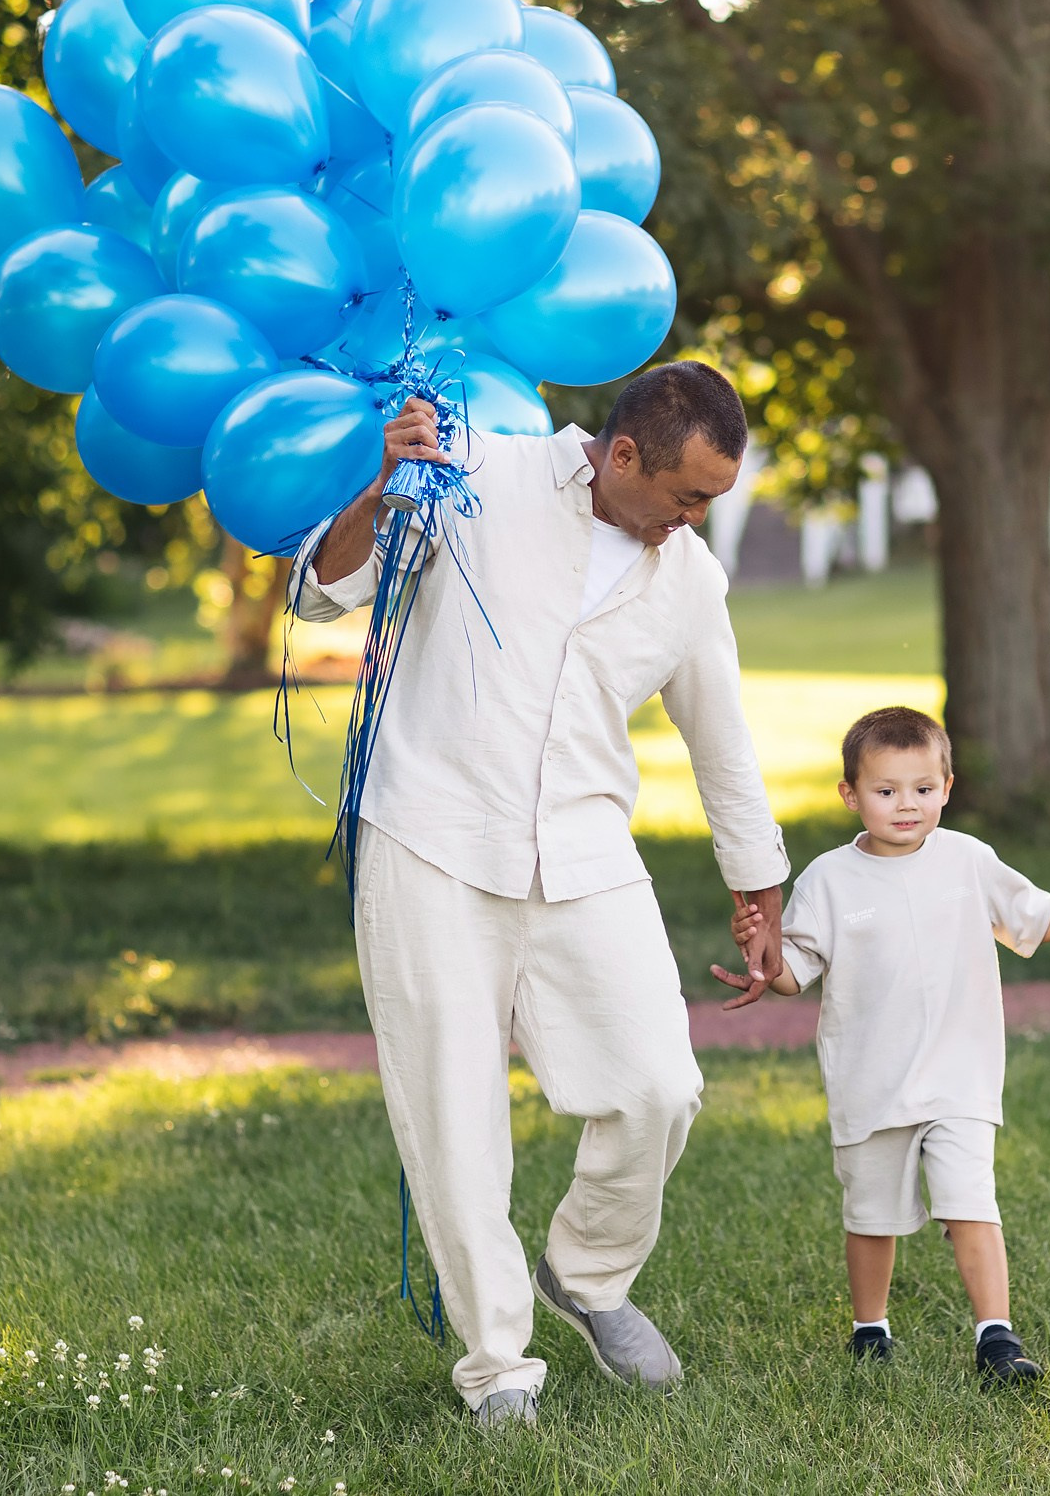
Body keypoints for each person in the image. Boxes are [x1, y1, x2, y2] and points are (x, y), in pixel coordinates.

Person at [292, 361, 789, 1427]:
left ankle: (590, 1271)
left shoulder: (690, 580)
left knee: (660, 1084)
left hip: (583, 849)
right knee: (454, 1111)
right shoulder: (473, 471)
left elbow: (725, 745)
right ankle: (498, 1366)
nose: (696, 519)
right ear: (619, 456)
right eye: (688, 494)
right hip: (429, 832)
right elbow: (316, 588)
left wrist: (761, 892)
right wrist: (380, 481)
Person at [715, 705, 1050, 1386]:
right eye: (886, 791)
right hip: (870, 1083)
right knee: (871, 1217)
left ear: (948, 787)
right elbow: (791, 973)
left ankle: (997, 1337)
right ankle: (871, 1329)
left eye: (923, 790)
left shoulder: (967, 859)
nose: (907, 805)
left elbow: (1038, 918)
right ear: (850, 795)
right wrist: (761, 952)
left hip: (960, 1077)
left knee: (970, 1202)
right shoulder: (830, 880)